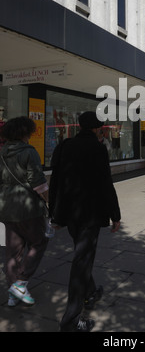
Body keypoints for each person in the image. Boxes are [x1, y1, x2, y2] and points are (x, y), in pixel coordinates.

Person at [49, 111, 121, 332]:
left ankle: (90, 293)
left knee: (82, 255)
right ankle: (71, 320)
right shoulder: (98, 149)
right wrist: (115, 215)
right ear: (96, 128)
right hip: (90, 214)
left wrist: (55, 214)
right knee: (81, 262)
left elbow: (56, 181)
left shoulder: (64, 146)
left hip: (70, 214)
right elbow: (105, 183)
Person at [0, 117, 49, 307]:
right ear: (25, 133)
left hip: (5, 205)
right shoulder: (29, 152)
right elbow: (37, 181)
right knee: (39, 241)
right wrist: (49, 200)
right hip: (27, 206)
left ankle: (13, 294)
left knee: (13, 251)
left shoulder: (2, 152)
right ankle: (20, 282)